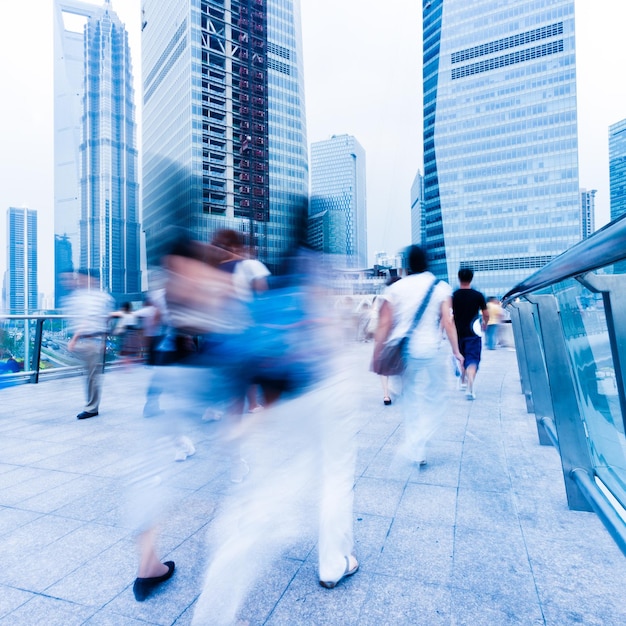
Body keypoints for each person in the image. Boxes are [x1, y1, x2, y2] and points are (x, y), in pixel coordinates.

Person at [374, 245, 463, 465]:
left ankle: (416, 447)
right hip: (429, 349)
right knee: (437, 398)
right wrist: (456, 351)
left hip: (404, 351)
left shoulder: (396, 288)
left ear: (407, 265)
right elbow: (448, 322)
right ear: (428, 262)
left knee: (411, 399)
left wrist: (377, 352)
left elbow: (384, 323)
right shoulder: (440, 287)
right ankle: (419, 442)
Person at [66, 268, 115, 419]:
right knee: (90, 375)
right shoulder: (79, 296)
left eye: (83, 278)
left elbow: (95, 320)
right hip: (85, 341)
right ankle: (91, 406)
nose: (80, 280)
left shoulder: (100, 298)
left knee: (92, 376)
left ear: (93, 279)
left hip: (92, 340)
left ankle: (92, 408)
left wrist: (74, 339)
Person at [452, 267, 488, 400]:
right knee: (472, 358)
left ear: (459, 278)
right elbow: (486, 314)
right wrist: (485, 323)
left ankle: (463, 379)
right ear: (471, 278)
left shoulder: (453, 296)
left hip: (457, 333)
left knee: (461, 357)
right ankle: (470, 382)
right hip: (473, 332)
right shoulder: (478, 295)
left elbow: (449, 315)